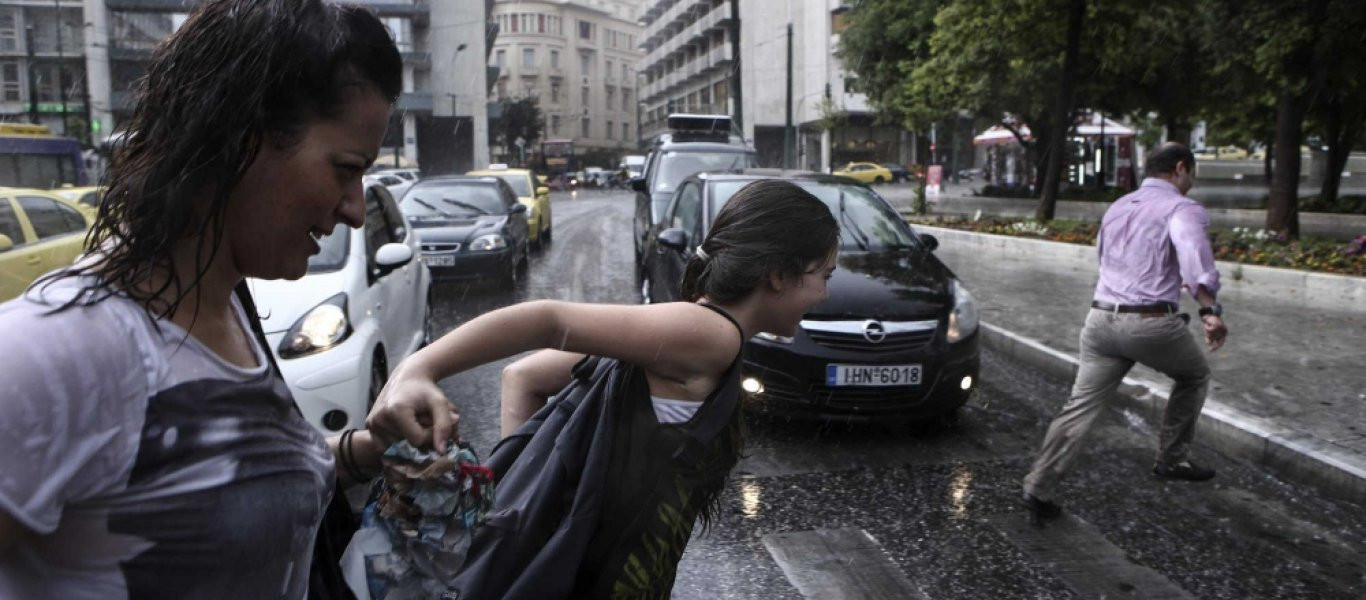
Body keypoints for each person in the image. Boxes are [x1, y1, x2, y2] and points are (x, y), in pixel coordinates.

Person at [0, 1, 418, 597]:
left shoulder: (223, 309)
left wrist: (364, 451)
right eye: (345, 168)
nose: (355, 208)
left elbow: (206, 483)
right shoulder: (51, 351)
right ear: (240, 139)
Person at [368, 179, 840, 597]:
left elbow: (524, 378)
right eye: (823, 275)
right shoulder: (711, 336)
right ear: (778, 275)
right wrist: (418, 369)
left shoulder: (683, 332)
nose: (824, 293)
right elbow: (548, 321)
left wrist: (517, 504)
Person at [1021, 142, 1229, 526]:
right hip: (1150, 323)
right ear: (1181, 169)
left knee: (1078, 409)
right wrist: (1208, 311)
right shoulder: (1182, 209)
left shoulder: (1118, 207)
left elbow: (1105, 258)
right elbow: (1193, 258)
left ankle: (1038, 485)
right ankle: (1172, 460)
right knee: (1194, 375)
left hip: (1100, 322)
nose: (1192, 182)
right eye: (1192, 174)